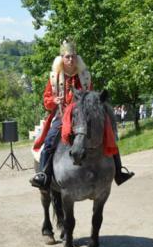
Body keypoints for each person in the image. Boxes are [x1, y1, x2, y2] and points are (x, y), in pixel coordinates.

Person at [31, 40, 134, 188]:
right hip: (62, 115)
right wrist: (55, 99)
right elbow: (46, 100)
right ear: (62, 58)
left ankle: (118, 172)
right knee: (49, 141)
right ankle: (43, 175)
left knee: (108, 134)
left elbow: (91, 95)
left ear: (76, 58)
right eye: (67, 57)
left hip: (83, 115)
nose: (70, 59)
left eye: (73, 56)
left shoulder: (84, 76)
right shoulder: (55, 78)